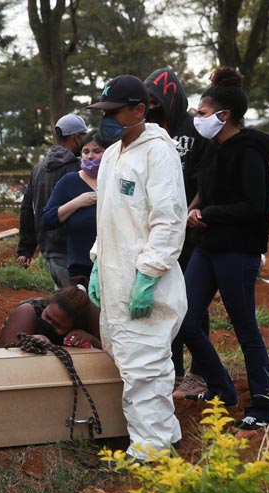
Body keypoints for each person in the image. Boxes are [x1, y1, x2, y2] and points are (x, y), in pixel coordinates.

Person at [87, 74, 189, 459]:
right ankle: (167, 433)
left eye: (115, 112)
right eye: (104, 111)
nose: (107, 119)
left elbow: (168, 219)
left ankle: (150, 453)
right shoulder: (112, 155)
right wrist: (98, 261)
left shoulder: (158, 152)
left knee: (145, 370)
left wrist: (148, 274)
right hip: (114, 281)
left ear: (140, 110)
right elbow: (108, 218)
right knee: (128, 362)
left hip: (145, 283)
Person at [178, 67, 269, 432]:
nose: (197, 119)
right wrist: (191, 209)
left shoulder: (249, 152)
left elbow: (254, 205)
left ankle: (262, 402)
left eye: (202, 113)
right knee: (185, 318)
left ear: (224, 116)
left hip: (237, 251)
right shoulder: (213, 148)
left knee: (244, 326)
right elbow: (206, 189)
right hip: (207, 246)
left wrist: (210, 213)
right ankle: (222, 388)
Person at [145, 66, 212, 401]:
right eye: (148, 101)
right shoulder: (152, 132)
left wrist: (188, 211)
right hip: (161, 233)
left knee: (194, 304)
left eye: (157, 101)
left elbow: (203, 179)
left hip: (190, 231)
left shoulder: (193, 130)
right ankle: (175, 370)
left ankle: (200, 374)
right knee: (166, 301)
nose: (152, 107)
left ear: (171, 97)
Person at [17, 113, 87, 288]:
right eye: (84, 137)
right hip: (71, 251)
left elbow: (27, 209)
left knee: (62, 299)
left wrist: (26, 249)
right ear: (77, 137)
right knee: (76, 303)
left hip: (49, 249)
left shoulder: (38, 168)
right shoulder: (77, 169)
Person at [41, 131, 103, 279]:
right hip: (81, 268)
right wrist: (77, 202)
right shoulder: (69, 182)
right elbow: (47, 219)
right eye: (85, 151)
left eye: (96, 151)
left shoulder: (116, 180)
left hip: (112, 266)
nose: (90, 156)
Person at [0, 283, 102, 349]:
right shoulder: (27, 312)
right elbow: (2, 353)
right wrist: (25, 342)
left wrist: (91, 340)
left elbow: (111, 354)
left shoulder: (92, 318)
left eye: (58, 325)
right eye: (48, 316)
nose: (49, 323)